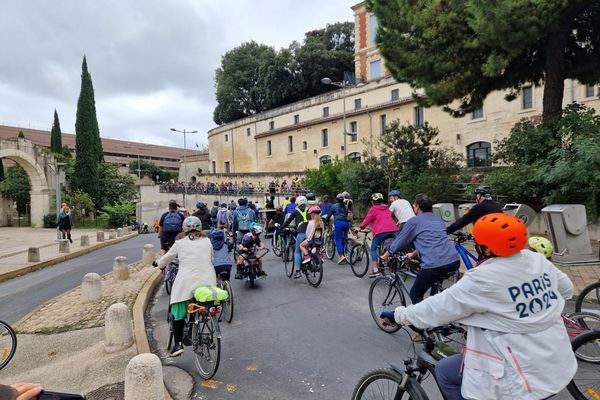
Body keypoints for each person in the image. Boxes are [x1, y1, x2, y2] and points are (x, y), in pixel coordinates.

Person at [381, 213, 576, 400]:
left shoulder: (483, 278)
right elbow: (566, 290)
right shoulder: (537, 260)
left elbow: (437, 307)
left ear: (488, 249)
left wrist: (398, 315)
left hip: (521, 375)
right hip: (557, 362)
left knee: (446, 373)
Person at [380, 194, 460, 304]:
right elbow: (433, 242)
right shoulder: (438, 220)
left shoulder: (414, 221)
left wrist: (386, 255)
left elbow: (400, 241)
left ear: (417, 207)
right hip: (454, 261)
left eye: (414, 205)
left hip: (434, 264)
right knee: (434, 293)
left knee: (415, 294)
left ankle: (425, 319)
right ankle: (437, 309)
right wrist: (413, 254)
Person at [156, 216, 217, 357]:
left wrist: (158, 264)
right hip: (208, 281)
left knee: (177, 309)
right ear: (200, 227)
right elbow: (211, 259)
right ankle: (201, 318)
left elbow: (166, 259)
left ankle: (178, 344)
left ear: (184, 228)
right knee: (200, 304)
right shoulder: (207, 241)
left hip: (187, 282)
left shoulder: (180, 243)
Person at [354, 193, 398, 278]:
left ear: (373, 201)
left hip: (382, 231)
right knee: (392, 245)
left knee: (373, 248)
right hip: (394, 229)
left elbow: (367, 220)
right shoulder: (387, 208)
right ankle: (389, 258)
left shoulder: (374, 208)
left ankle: (375, 269)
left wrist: (360, 227)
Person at [280, 195, 309, 270]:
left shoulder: (296, 211)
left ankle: (297, 270)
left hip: (301, 232)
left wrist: (281, 228)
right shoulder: (309, 209)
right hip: (310, 231)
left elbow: (288, 221)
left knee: (297, 251)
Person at [327, 193, 351, 264]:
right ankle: (346, 254)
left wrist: (325, 221)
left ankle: (341, 256)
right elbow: (346, 214)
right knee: (345, 239)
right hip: (346, 223)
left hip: (339, 223)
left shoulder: (334, 206)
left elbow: (329, 216)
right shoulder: (346, 206)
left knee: (338, 240)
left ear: (337, 199)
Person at [299, 206, 324, 270]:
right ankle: (319, 257)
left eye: (310, 213)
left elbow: (307, 233)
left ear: (313, 214)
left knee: (301, 245)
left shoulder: (311, 222)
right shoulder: (321, 222)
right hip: (319, 240)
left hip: (311, 240)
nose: (309, 215)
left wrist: (307, 238)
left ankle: (307, 257)